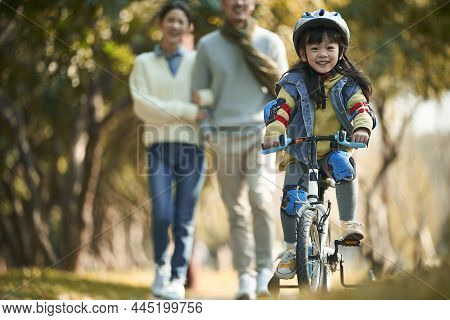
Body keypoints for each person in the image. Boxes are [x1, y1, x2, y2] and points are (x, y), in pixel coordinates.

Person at [262, 9, 377, 280]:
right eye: (314, 48)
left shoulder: (346, 83)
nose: (322, 54)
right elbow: (281, 108)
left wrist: (361, 126)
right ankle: (291, 250)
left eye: (329, 47)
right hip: (301, 153)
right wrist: (274, 130)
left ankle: (349, 223)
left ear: (341, 50)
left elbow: (359, 106)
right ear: (303, 53)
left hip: (333, 149)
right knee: (292, 198)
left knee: (344, 164)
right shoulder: (293, 82)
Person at [192, 0, 288, 299]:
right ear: (223, 4)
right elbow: (201, 93)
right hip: (223, 136)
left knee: (260, 199)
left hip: (260, 135)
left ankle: (263, 272)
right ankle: (244, 277)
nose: (238, 3)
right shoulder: (208, 46)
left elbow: (286, 91)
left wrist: (277, 128)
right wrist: (207, 129)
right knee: (235, 211)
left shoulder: (269, 42)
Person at [129, 1, 212, 299]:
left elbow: (210, 98)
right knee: (162, 214)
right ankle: (161, 268)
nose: (175, 25)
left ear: (188, 27)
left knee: (184, 218)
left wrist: (195, 106)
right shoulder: (142, 64)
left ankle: (178, 278)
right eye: (170, 20)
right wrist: (189, 110)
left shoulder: (198, 62)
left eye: (181, 21)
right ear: (161, 23)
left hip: (192, 149)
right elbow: (143, 107)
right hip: (158, 149)